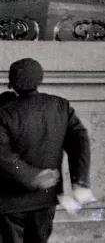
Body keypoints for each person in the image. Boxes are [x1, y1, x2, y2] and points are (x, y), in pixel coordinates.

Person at [0, 58, 91, 243]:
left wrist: (32, 176)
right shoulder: (61, 107)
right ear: (40, 79)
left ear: (12, 83)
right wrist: (79, 180)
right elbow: (80, 143)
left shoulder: (5, 113)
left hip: (10, 202)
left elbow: (3, 156)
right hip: (45, 198)